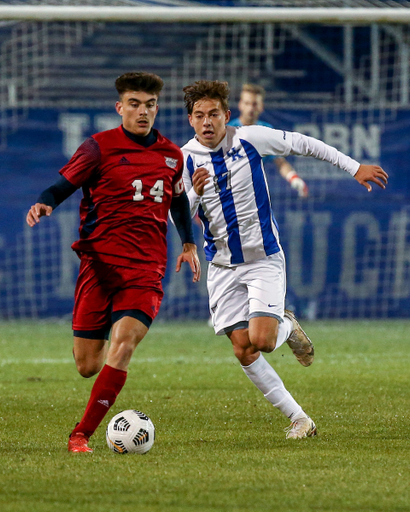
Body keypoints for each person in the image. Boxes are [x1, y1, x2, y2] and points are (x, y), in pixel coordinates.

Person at [181, 80, 388, 439]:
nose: (207, 122)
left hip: (262, 258)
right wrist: (194, 195)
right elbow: (178, 215)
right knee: (242, 349)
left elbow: (303, 144)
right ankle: (300, 419)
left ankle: (286, 326)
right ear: (190, 120)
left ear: (227, 115)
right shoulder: (184, 159)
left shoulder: (249, 138)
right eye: (199, 115)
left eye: (214, 114)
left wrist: (354, 167)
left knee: (261, 340)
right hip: (222, 265)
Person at [26, 72, 201, 453]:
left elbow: (178, 200)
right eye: (135, 104)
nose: (143, 112)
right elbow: (63, 186)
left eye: (150, 105)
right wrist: (45, 202)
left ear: (157, 108)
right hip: (99, 267)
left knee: (123, 345)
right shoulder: (98, 148)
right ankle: (108, 374)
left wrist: (188, 242)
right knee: (87, 365)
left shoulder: (172, 155)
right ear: (119, 107)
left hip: (146, 269)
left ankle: (81, 435)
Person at [229, 83, 308, 198]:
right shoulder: (227, 131)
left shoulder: (267, 131)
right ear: (240, 105)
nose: (251, 108)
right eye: (247, 103)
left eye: (255, 104)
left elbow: (280, 162)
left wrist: (294, 178)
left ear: (261, 107)